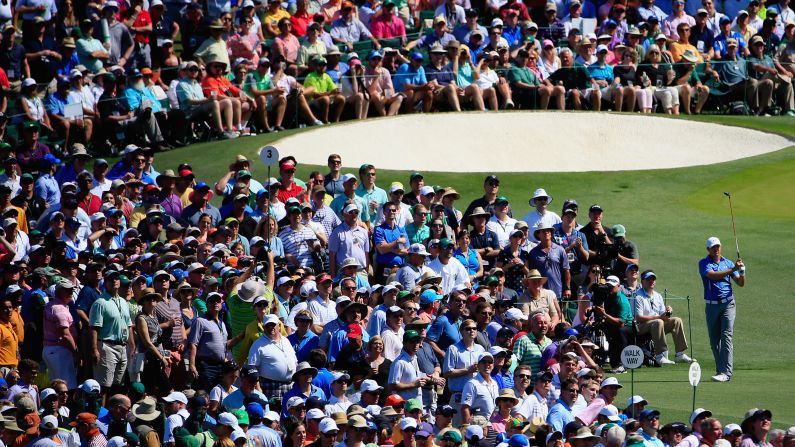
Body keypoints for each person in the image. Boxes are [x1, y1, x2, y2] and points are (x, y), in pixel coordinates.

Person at [699, 236, 744, 383]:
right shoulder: (703, 263)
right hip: (711, 305)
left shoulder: (728, 262)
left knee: (726, 336)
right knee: (714, 341)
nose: (716, 249)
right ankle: (720, 370)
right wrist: (733, 269)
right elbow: (713, 277)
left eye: (718, 246)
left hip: (728, 304)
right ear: (708, 250)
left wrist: (742, 272)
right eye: (713, 247)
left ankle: (726, 372)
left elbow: (740, 283)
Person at [633, 270, 694, 365]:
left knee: (676, 321)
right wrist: (658, 317)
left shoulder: (658, 296)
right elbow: (638, 318)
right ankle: (660, 356)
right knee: (658, 322)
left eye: (653, 279)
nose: (652, 281)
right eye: (649, 279)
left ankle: (679, 354)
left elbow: (663, 317)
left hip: (657, 325)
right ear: (643, 281)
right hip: (640, 327)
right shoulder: (638, 296)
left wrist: (668, 312)